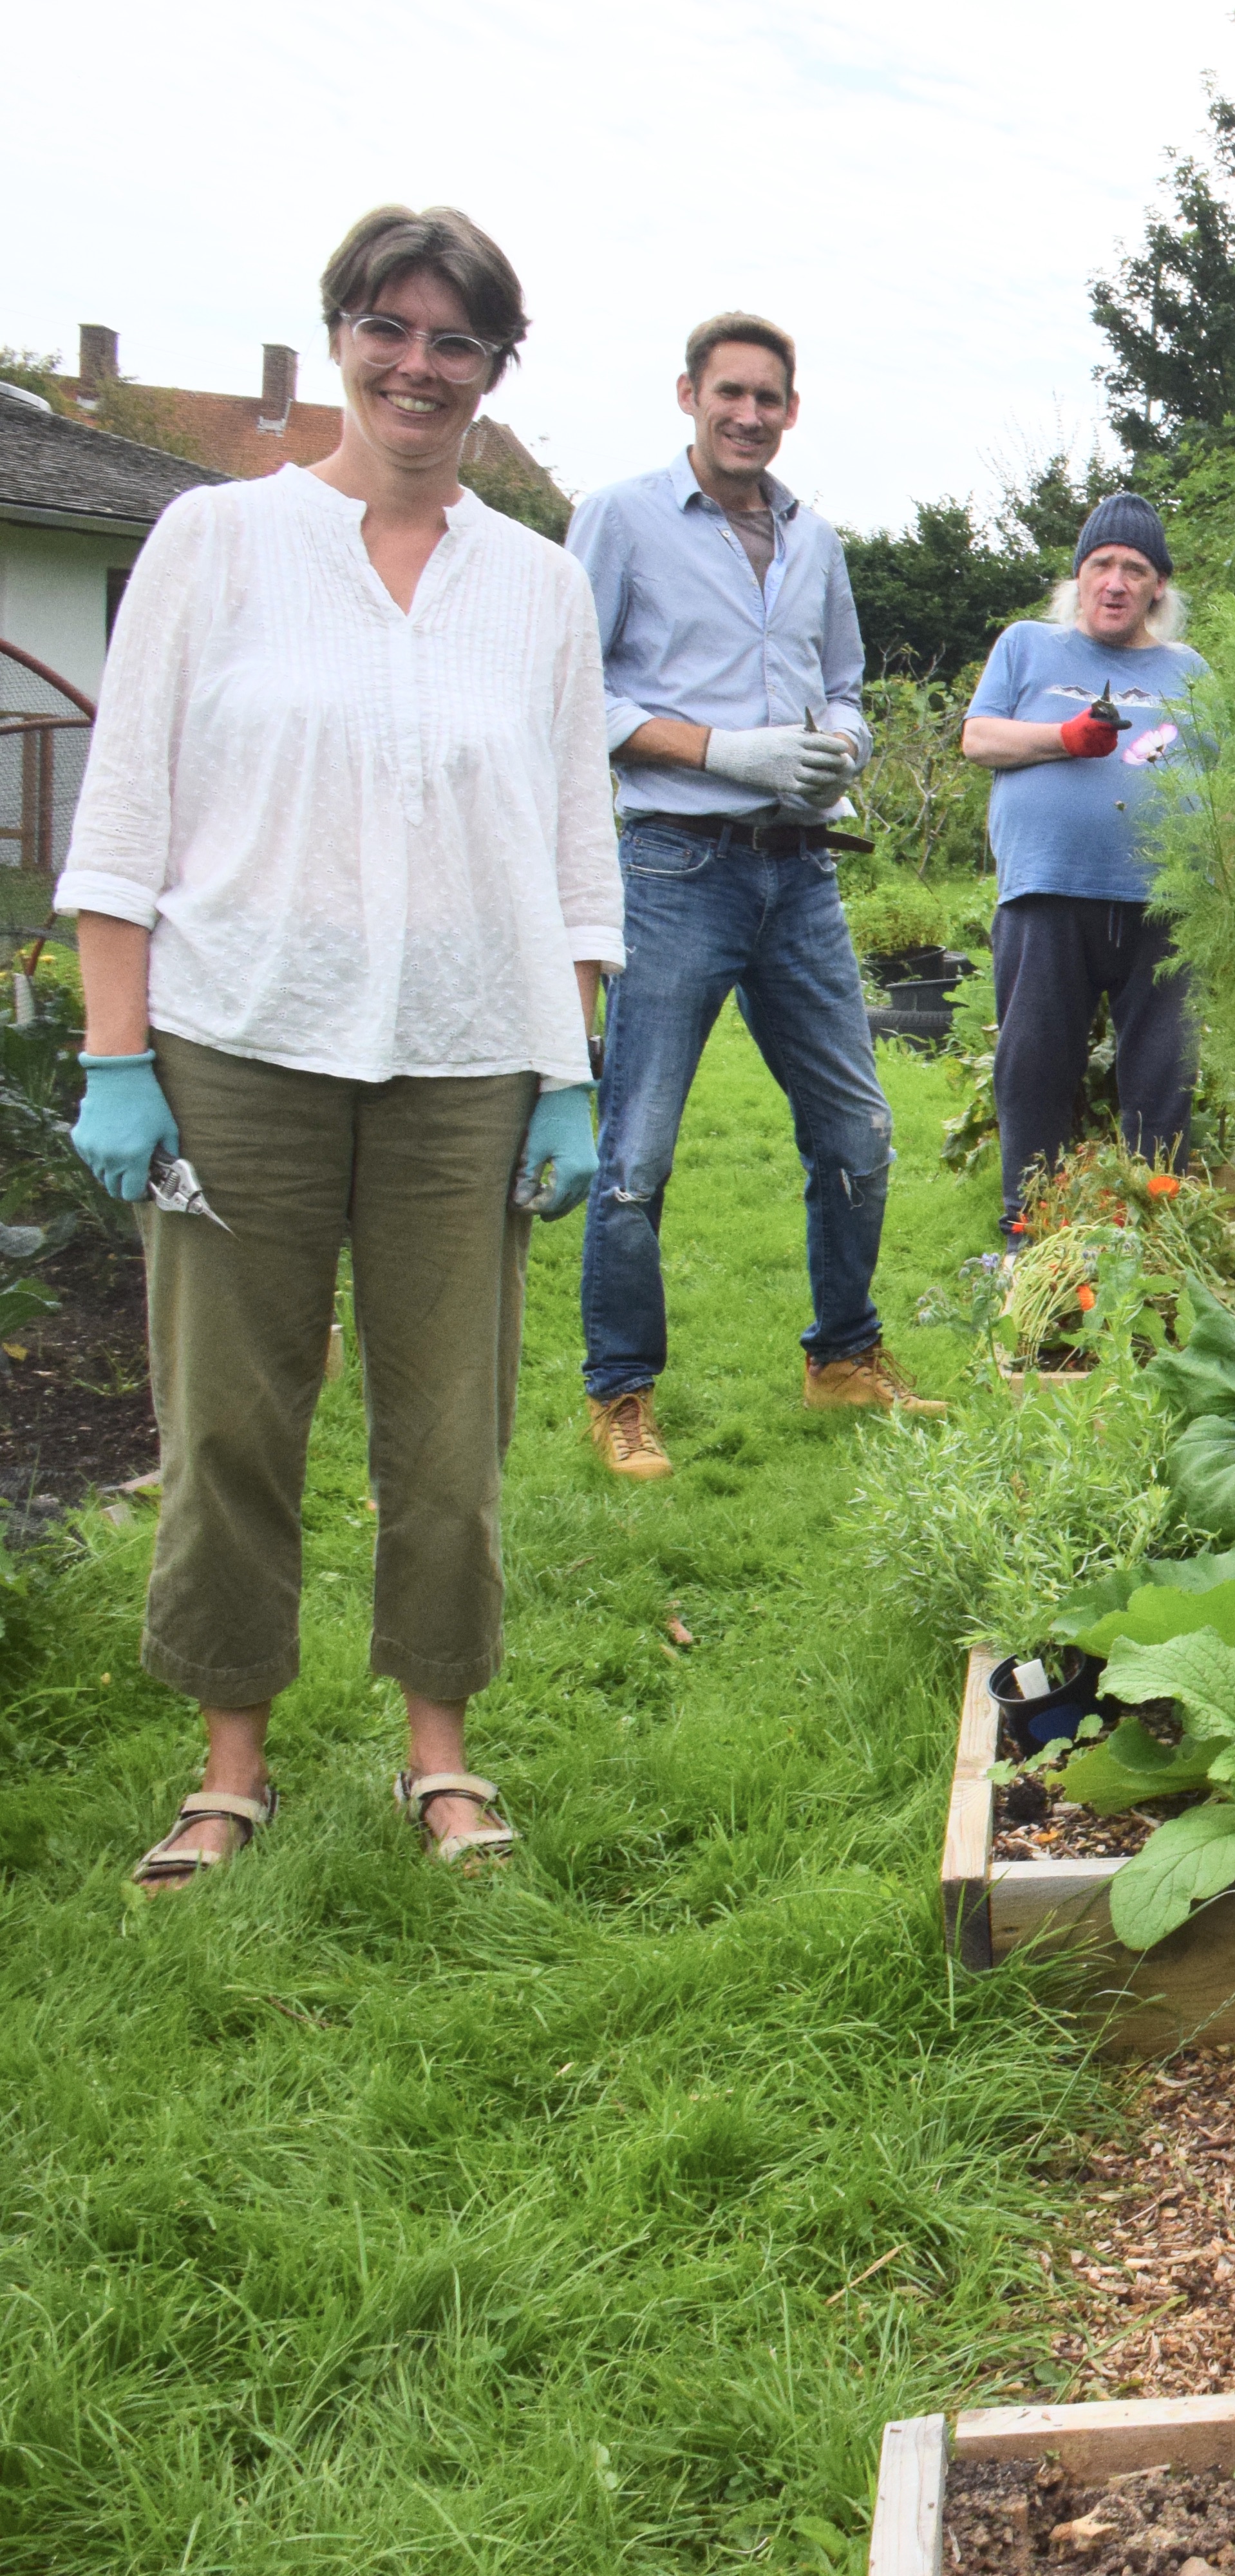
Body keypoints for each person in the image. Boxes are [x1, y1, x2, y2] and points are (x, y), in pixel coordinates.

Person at [56, 204, 617, 1886]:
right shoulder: (215, 541)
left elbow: (575, 852)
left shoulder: (538, 587)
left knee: (447, 1438)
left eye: (458, 342)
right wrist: (114, 1054)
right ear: (343, 339)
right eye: (393, 327)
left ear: (493, 369)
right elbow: (125, 807)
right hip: (237, 1051)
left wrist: (572, 1070)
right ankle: (233, 1764)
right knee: (232, 1422)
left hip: (464, 1067)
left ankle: (438, 1758)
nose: (420, 365)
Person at [565, 310, 936, 1479]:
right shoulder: (621, 519)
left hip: (803, 872)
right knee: (639, 1151)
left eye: (769, 399)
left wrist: (838, 744)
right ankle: (621, 1393)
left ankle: (842, 1356)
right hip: (678, 867)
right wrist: (725, 752)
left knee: (859, 1135)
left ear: (791, 409)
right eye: (729, 394)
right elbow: (574, 688)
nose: (749, 416)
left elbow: (845, 684)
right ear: (689, 396)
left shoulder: (814, 540)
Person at [960, 493, 1208, 1237]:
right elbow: (978, 740)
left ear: (1158, 586)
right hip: (1047, 891)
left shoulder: (1189, 669)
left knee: (1163, 1074)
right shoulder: (1027, 646)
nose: (1117, 581)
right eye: (1102, 564)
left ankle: (1155, 1237)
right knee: (1034, 1066)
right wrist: (1065, 738)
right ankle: (1027, 1236)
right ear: (1079, 575)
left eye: (1136, 568)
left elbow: (1217, 779)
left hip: (1161, 902)